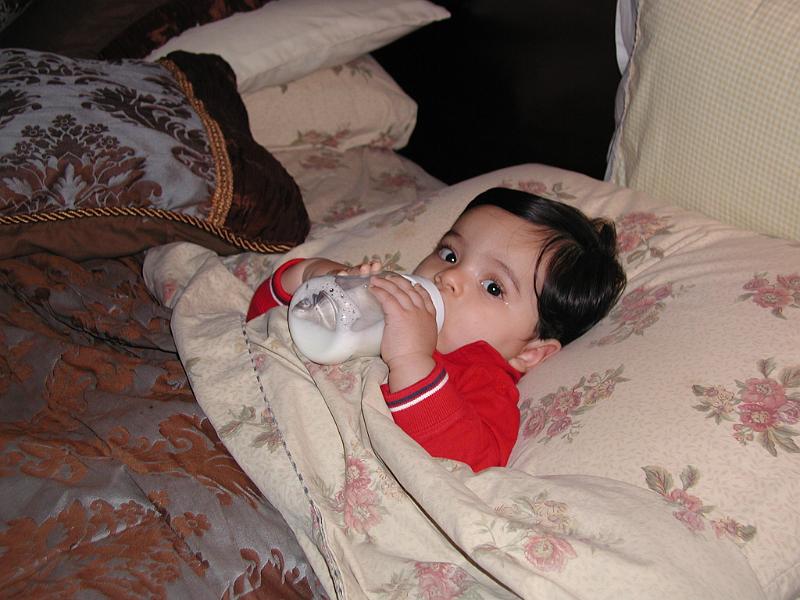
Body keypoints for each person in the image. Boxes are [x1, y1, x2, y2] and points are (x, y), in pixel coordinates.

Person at [247, 187, 626, 471]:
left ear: (530, 352)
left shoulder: (483, 379)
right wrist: (312, 276)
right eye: (450, 254)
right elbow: (258, 322)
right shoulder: (373, 302)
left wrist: (411, 359)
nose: (449, 276)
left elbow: (466, 465)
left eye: (493, 287)